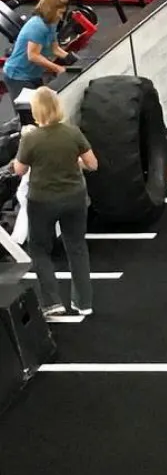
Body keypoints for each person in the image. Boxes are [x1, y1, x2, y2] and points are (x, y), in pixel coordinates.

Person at [14, 86, 97, 320]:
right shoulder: (73, 133)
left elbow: (20, 170)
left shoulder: (31, 138)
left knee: (40, 249)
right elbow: (92, 164)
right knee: (77, 247)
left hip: (42, 201)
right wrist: (73, 163)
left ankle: (52, 304)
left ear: (36, 110)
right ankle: (84, 303)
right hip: (74, 198)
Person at [3, 0, 71, 104]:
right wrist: (57, 68)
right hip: (17, 76)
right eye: (60, 12)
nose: (61, 17)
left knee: (40, 111)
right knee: (25, 115)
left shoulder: (51, 24)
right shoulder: (37, 26)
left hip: (33, 74)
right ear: (51, 10)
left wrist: (72, 58)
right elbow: (33, 56)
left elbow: (55, 49)